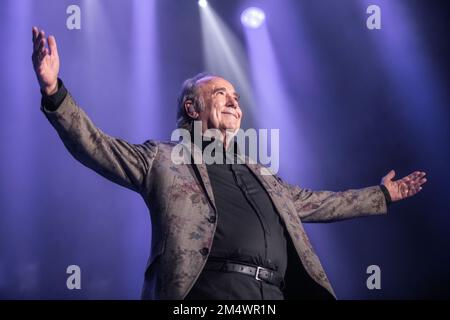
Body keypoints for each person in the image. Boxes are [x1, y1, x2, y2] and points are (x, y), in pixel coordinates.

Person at [31, 26, 427, 300]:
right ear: (192, 107)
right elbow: (96, 146)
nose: (235, 101)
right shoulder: (164, 159)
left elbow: (318, 202)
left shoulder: (263, 175)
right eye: (221, 93)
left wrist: (381, 195)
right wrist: (54, 92)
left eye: (236, 95)